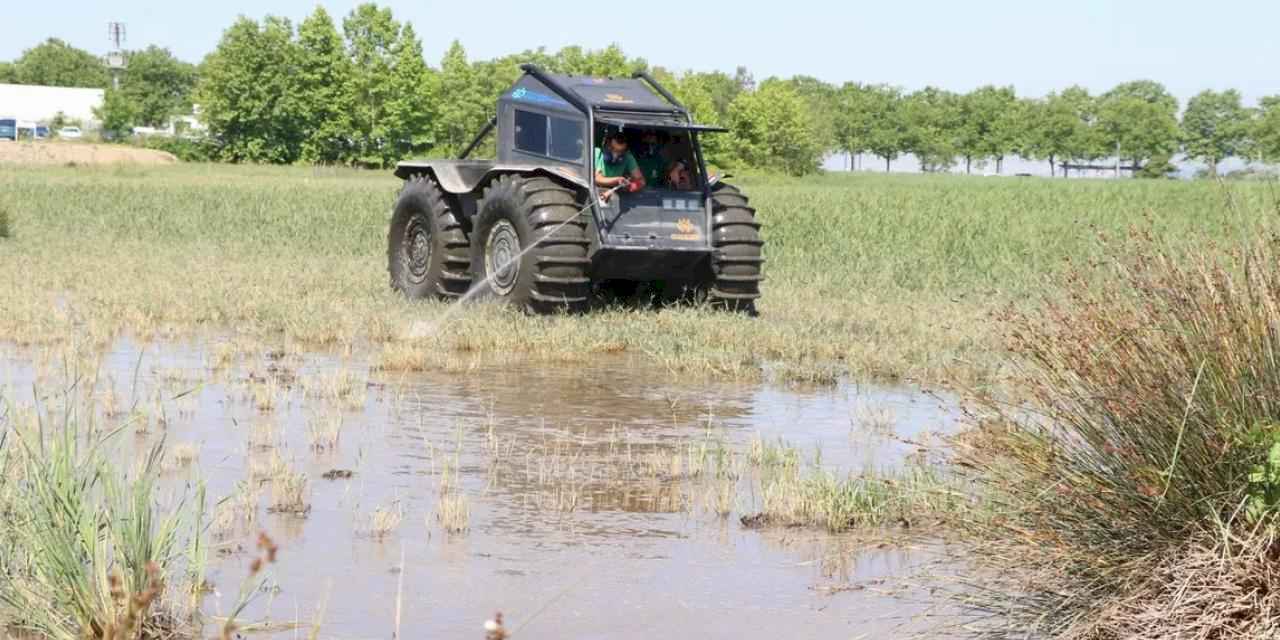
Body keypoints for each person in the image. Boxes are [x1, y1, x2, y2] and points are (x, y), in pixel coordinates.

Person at [594, 131, 645, 201]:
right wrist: (618, 180)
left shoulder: (627, 157)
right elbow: (597, 179)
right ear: (607, 145)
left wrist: (629, 186)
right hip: (594, 194)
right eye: (613, 149)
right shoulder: (597, 153)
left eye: (620, 151)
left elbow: (641, 181)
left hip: (616, 197)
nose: (616, 155)